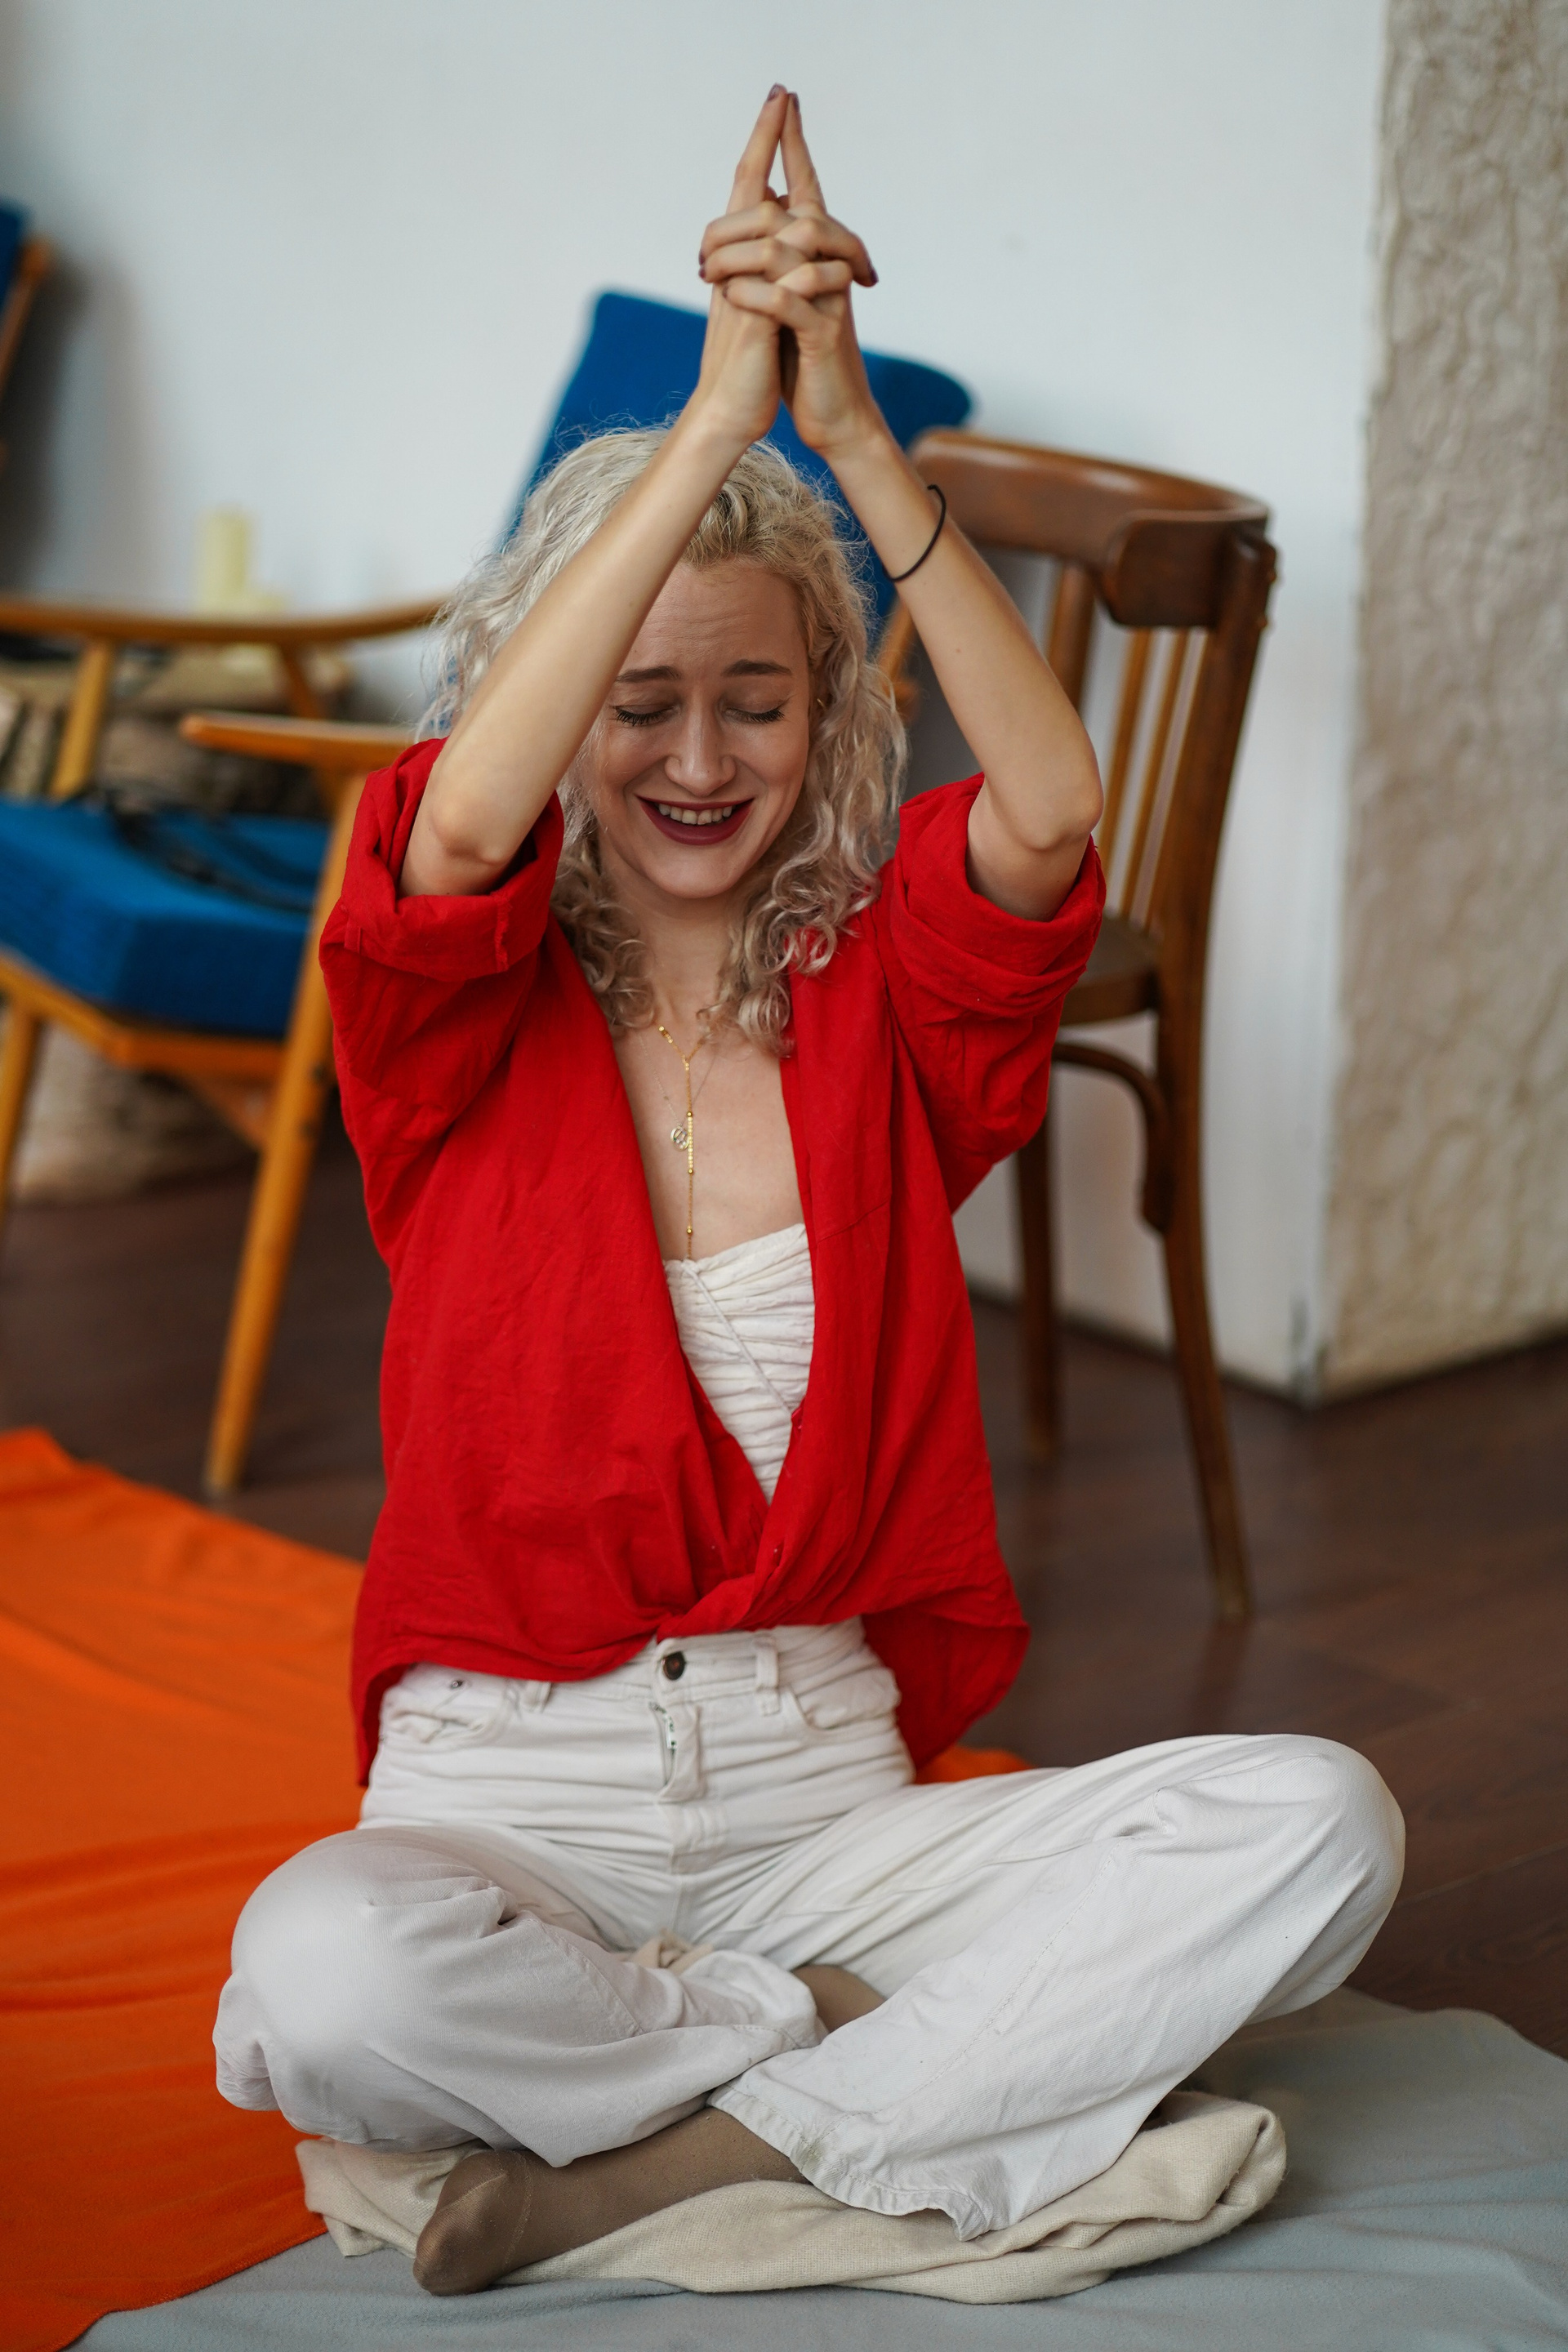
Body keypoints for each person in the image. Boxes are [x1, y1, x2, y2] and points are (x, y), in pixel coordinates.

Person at [214, 89, 1403, 2297]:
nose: (697, 759)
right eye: (639, 702)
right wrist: (706, 429)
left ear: (827, 713)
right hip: (514, 1792)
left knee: (1318, 1823)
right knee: (324, 1976)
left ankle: (658, 2155)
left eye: (755, 702)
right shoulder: (443, 1009)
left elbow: (1051, 807)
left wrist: (845, 436)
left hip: (822, 1795)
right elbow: (460, 828)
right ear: (559, 709)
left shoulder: (886, 992)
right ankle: (860, 2074)